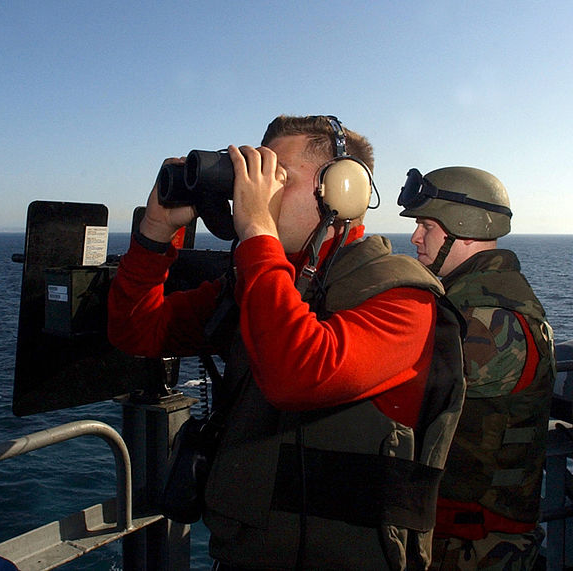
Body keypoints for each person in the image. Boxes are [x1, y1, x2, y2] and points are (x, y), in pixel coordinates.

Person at [109, 115, 465, 570]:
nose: (253, 193)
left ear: (342, 191)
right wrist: (156, 233)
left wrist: (258, 231)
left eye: (279, 178)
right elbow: (138, 331)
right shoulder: (258, 281)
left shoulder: (401, 298)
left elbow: (295, 375)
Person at [398, 166, 556, 570]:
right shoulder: (472, 302)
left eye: (426, 226)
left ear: (461, 226)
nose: (415, 237)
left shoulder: (492, 318)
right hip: (461, 535)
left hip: (477, 546)